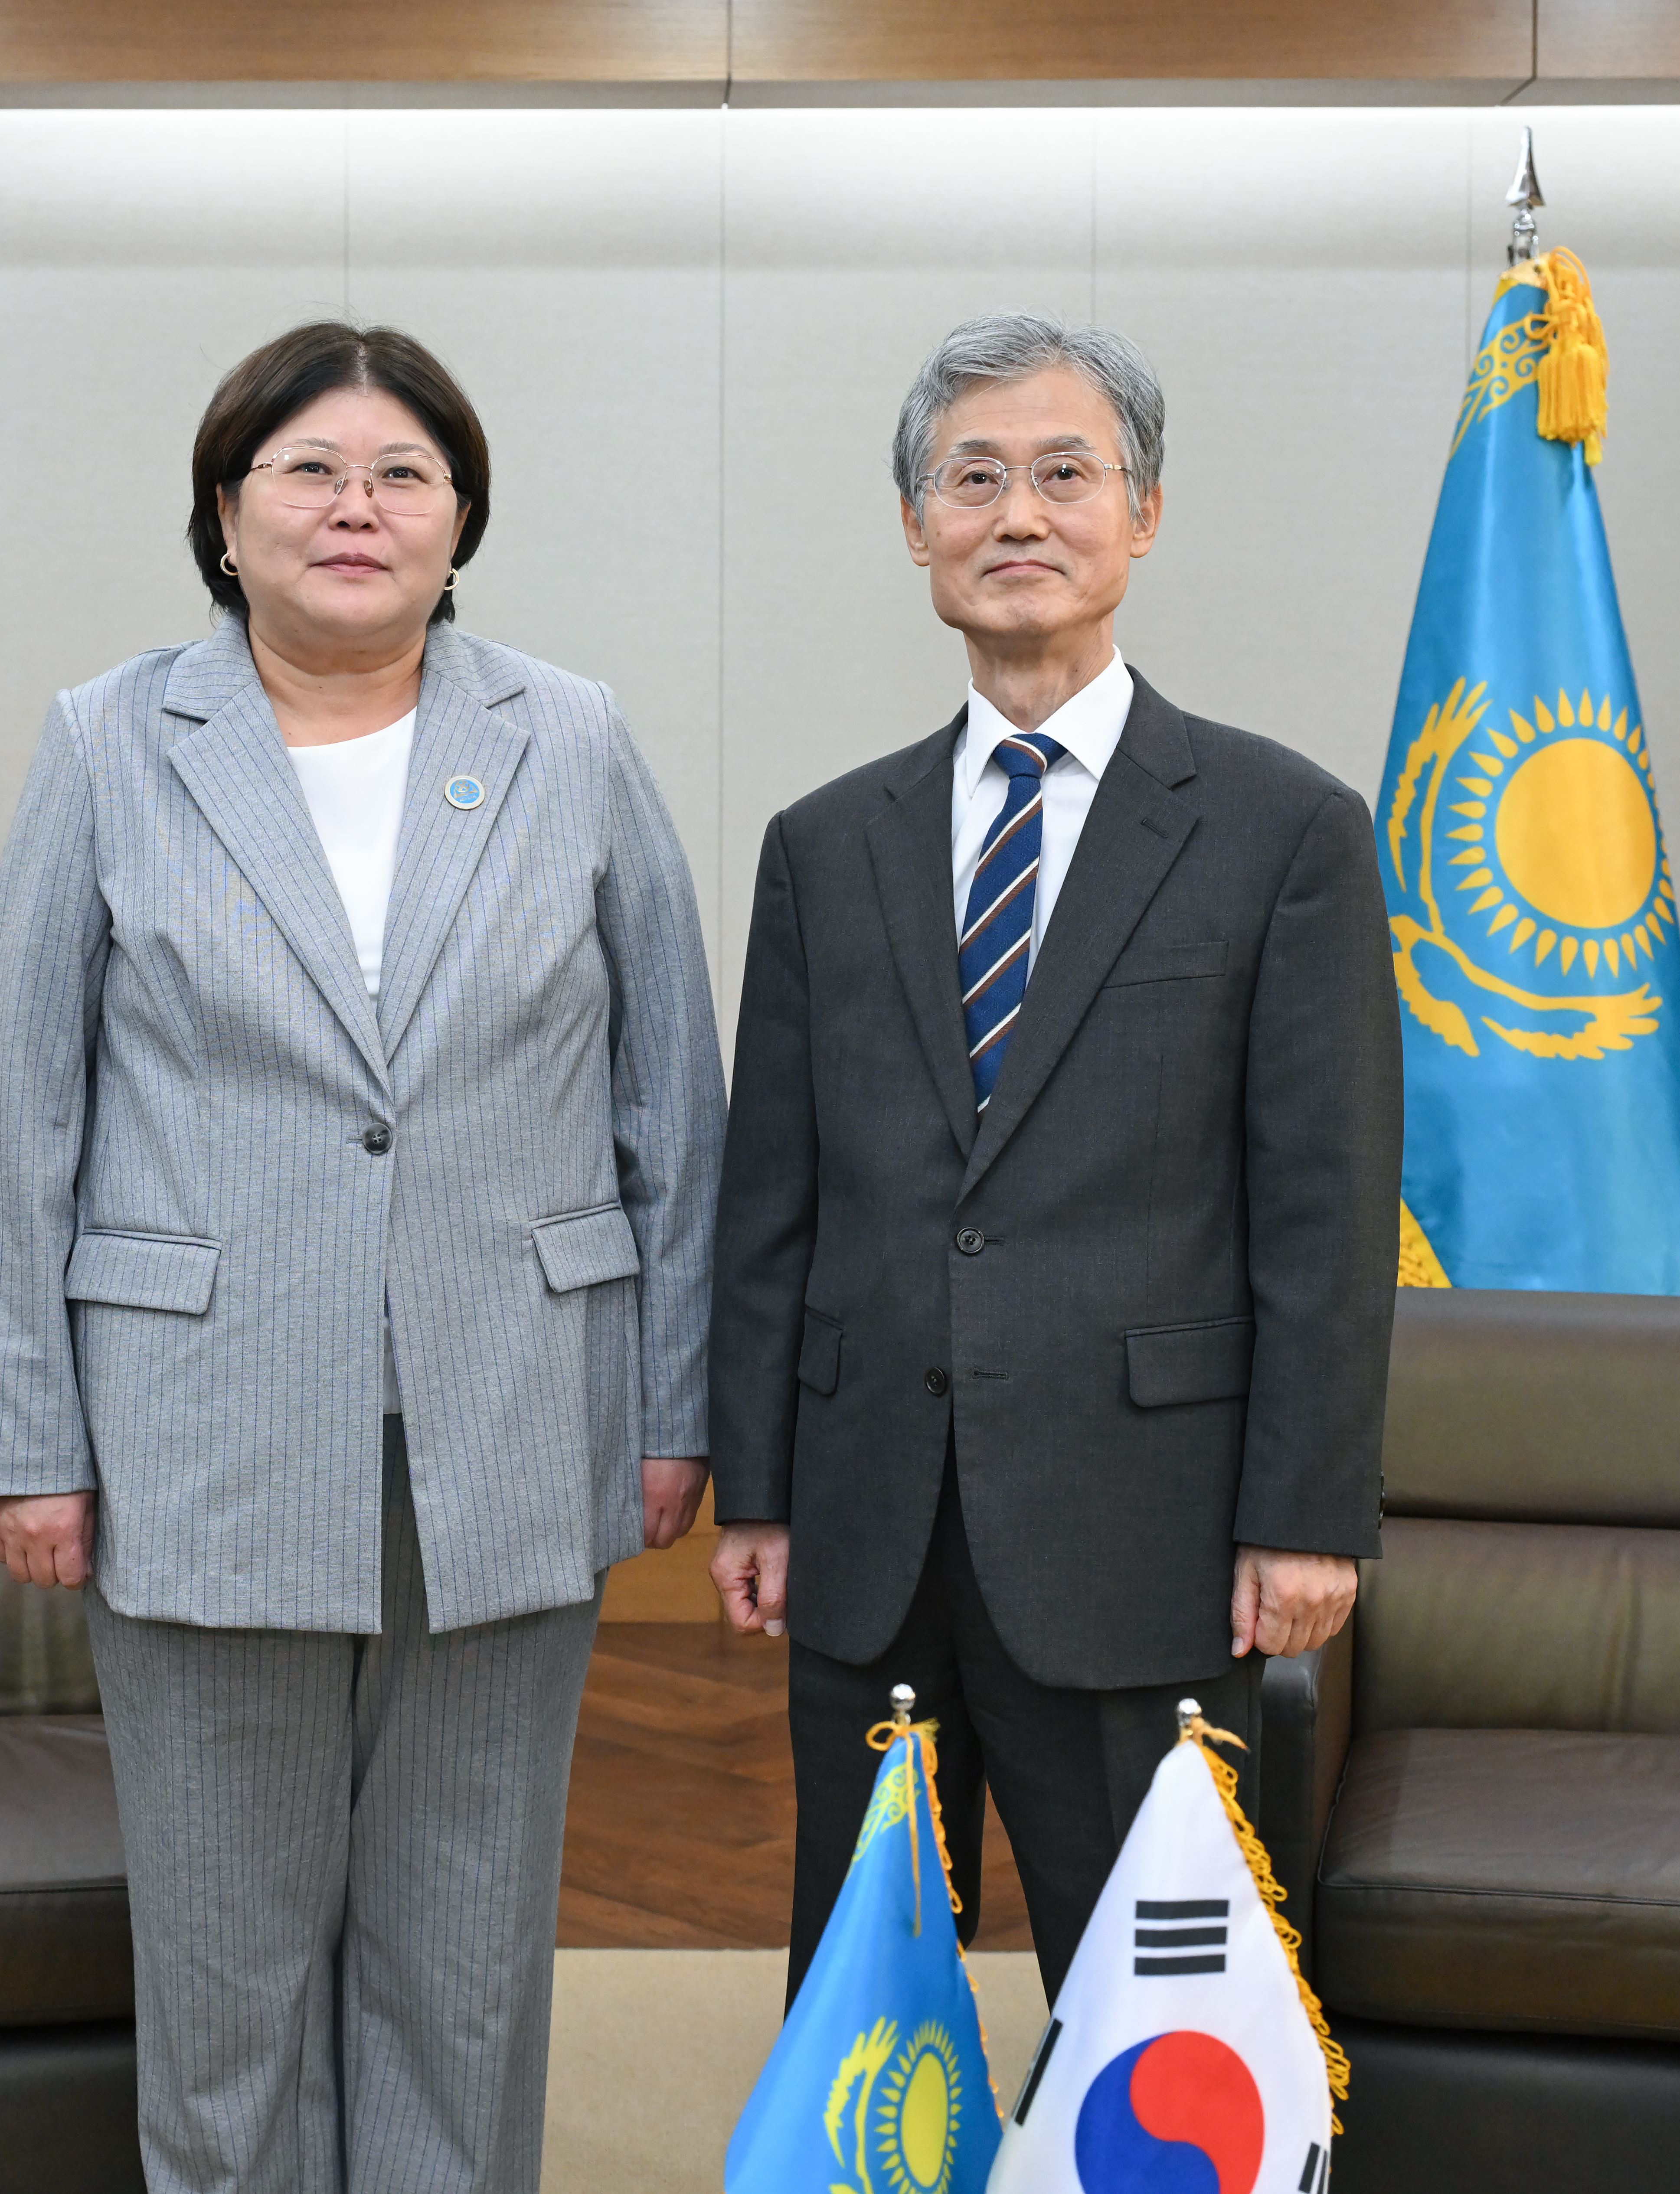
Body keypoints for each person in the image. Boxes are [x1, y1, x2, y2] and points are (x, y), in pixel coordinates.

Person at [0, 320, 722, 2194]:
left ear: (461, 520)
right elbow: (14, 1112)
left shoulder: (571, 736)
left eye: (402, 474)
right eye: (306, 470)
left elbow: (672, 1103)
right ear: (226, 514)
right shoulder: (110, 739)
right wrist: (20, 1438)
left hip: (517, 1418)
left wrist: (675, 1401)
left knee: (462, 1962)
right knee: (224, 1972)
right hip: (194, 1428)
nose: (354, 507)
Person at [706, 313, 1398, 2001]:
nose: (1016, 514)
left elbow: (1320, 1210)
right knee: (867, 2013)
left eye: (1063, 474)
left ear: (1139, 517)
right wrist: (762, 1482)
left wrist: (1301, 1514)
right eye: (974, 477)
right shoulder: (823, 843)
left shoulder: (1279, 831)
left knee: (1151, 2018)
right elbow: (769, 1199)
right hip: (870, 1532)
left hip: (1144, 1534)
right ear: (915, 525)